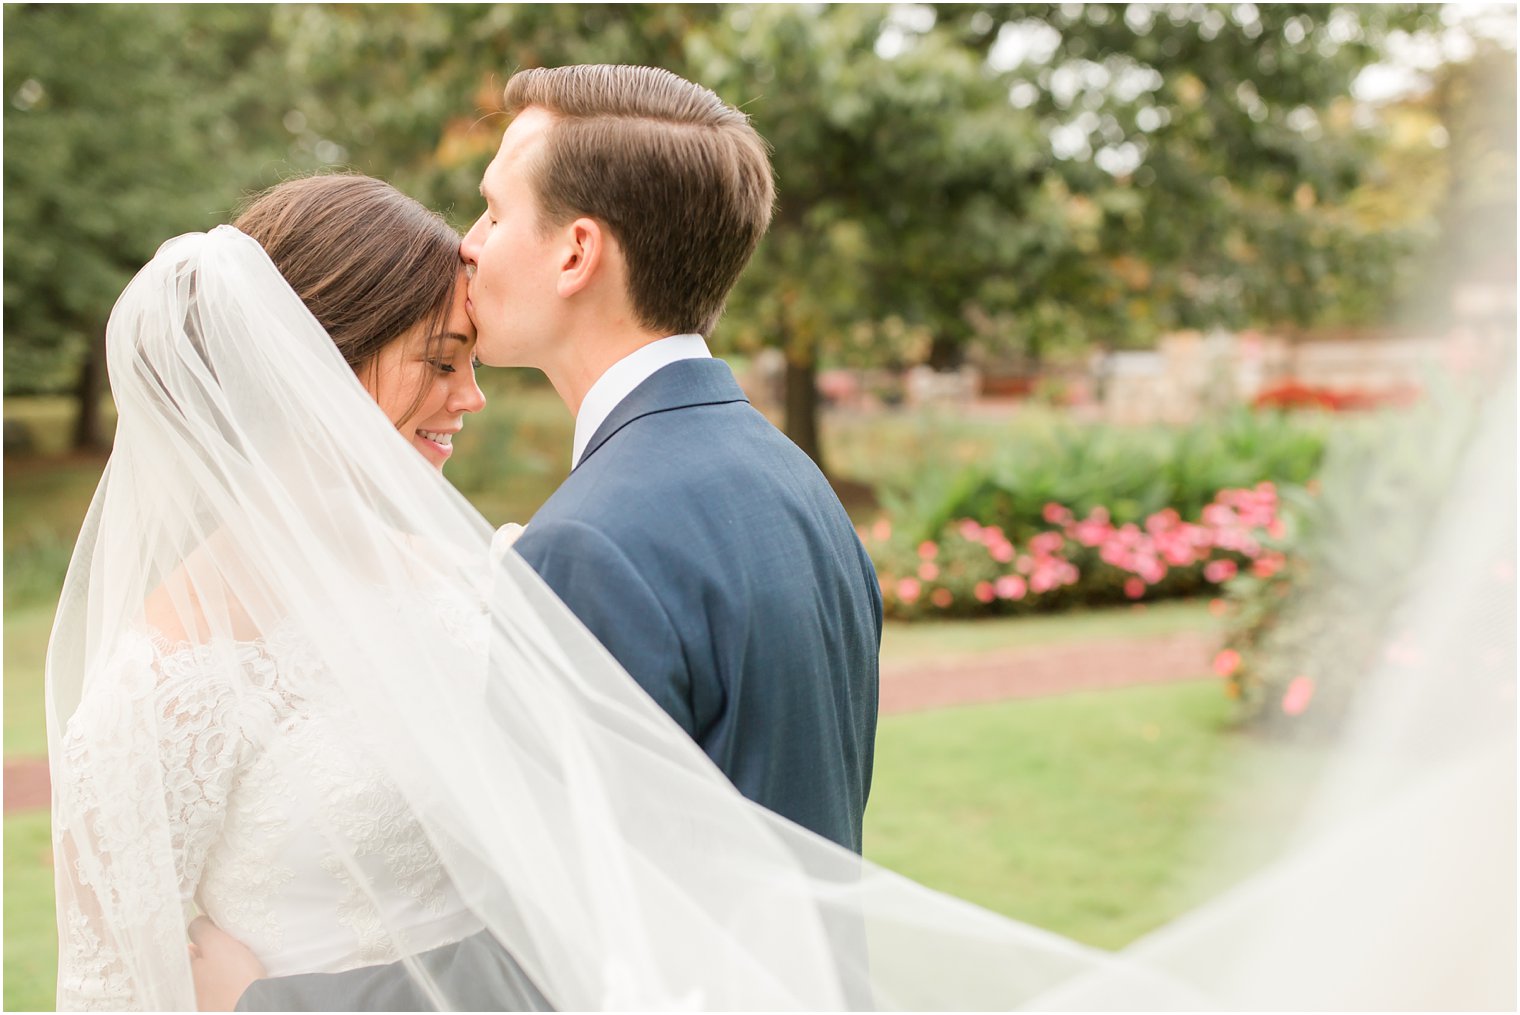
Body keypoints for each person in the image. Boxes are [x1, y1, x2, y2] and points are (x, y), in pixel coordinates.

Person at [226, 61, 883, 1013]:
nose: (469, 243)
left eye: (493, 212)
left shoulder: (588, 548)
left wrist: (262, 999)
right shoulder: (796, 485)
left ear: (576, 253)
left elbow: (548, 964)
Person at [48, 175, 490, 1011]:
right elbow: (112, 991)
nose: (470, 397)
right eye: (442, 361)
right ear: (314, 364)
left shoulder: (461, 578)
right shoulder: (160, 689)